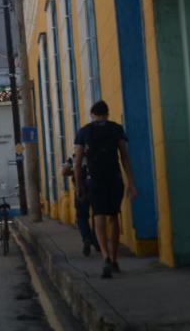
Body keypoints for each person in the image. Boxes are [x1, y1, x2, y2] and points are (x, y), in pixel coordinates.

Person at [74, 100, 138, 279]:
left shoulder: (84, 132)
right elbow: (124, 157)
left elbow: (77, 163)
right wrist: (131, 183)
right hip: (114, 179)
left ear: (92, 114)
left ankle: (105, 256)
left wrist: (79, 186)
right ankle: (115, 257)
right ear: (107, 113)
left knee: (98, 216)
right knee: (113, 217)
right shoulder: (116, 129)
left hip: (94, 181)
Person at [62, 155, 99, 256]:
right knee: (97, 215)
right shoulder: (95, 154)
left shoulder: (73, 157)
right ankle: (97, 241)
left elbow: (64, 171)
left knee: (82, 216)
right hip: (95, 187)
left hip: (80, 189)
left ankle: (86, 238)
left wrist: (73, 172)